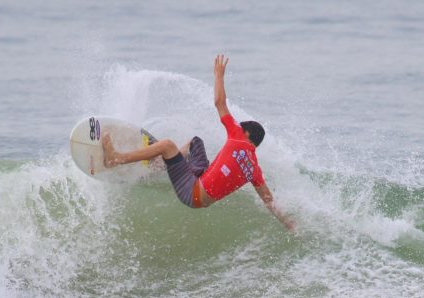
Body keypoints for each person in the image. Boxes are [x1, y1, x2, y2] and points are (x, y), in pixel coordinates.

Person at [102, 54, 294, 231]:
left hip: (191, 191)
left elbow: (220, 102)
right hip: (199, 187)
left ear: (246, 133)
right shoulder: (254, 169)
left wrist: (219, 75)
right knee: (196, 143)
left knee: (167, 145)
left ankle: (117, 158)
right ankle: (161, 164)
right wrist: (289, 224)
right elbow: (269, 201)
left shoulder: (238, 136)